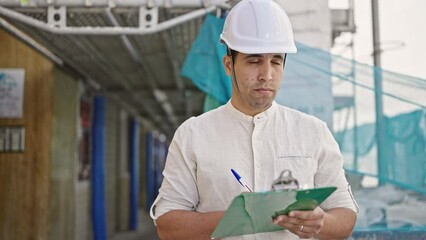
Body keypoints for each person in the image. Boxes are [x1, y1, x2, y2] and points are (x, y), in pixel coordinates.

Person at [150, 0, 358, 239]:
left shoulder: (313, 132)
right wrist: (242, 217)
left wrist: (322, 221)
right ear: (229, 65)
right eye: (254, 61)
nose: (266, 75)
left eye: (276, 61)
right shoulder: (193, 135)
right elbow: (167, 226)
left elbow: (346, 215)